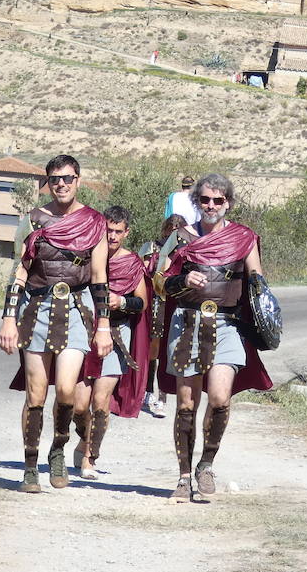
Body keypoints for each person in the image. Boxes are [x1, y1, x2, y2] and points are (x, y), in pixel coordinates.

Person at [0, 155, 112, 493]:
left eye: (67, 178)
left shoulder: (95, 222)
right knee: (35, 393)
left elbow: (99, 276)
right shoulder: (32, 220)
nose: (61, 184)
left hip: (77, 308)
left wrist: (104, 324)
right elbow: (19, 271)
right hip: (36, 308)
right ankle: (31, 465)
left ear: (78, 180)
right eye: (54, 179)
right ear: (47, 183)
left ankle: (59, 449)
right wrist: (8, 318)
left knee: (65, 390)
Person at [158, 174, 272, 502]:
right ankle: (183, 476)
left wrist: (265, 317)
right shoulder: (180, 238)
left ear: (229, 204)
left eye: (218, 201)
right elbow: (159, 281)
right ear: (196, 202)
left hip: (227, 325)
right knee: (186, 405)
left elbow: (257, 281)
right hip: (187, 323)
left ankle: (205, 463)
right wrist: (181, 279)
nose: (211, 206)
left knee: (221, 399)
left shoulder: (244, 238)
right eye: (205, 200)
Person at [71, 205, 150, 479]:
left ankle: (90, 456)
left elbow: (142, 302)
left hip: (118, 336)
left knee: (101, 401)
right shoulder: (88, 257)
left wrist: (123, 301)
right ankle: (82, 439)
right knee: (79, 404)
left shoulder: (132, 263)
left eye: (118, 231)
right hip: (85, 331)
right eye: (108, 230)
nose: (113, 236)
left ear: (127, 232)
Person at [140, 213, 190, 417]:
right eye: (172, 228)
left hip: (173, 303)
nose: (175, 232)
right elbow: (142, 273)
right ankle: (147, 391)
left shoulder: (188, 251)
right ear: (166, 229)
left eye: (179, 228)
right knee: (152, 350)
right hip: (153, 301)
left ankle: (162, 397)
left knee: (169, 351)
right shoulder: (152, 247)